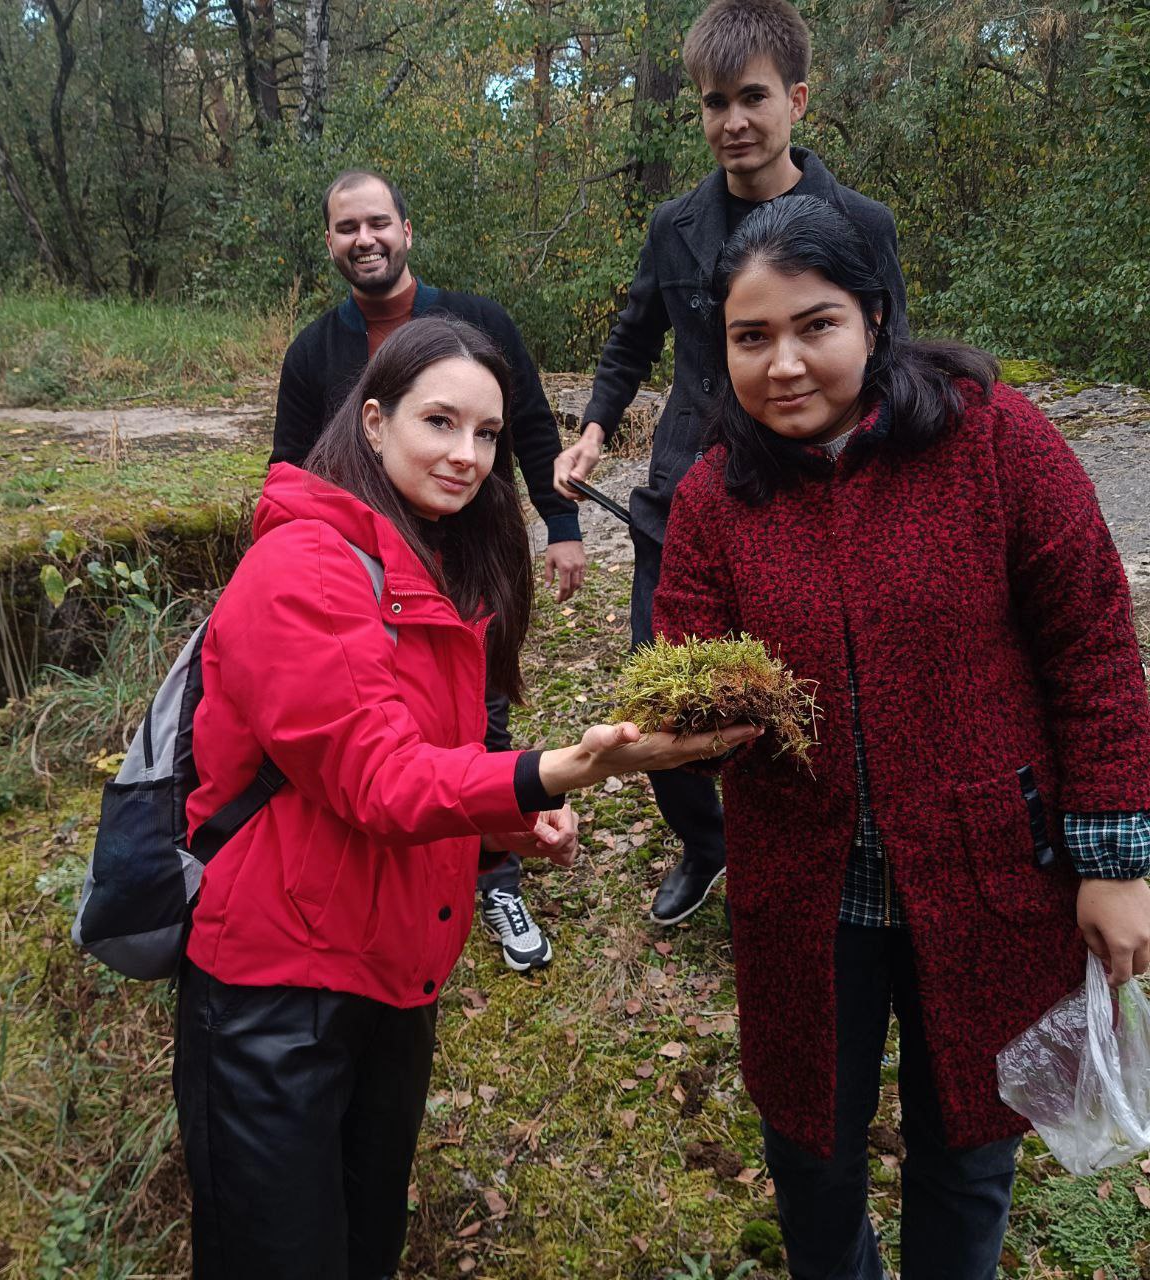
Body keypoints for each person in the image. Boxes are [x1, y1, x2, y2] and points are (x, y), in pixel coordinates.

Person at [174, 315, 762, 1279]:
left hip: (392, 974)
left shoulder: (433, 555)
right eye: (439, 423)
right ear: (372, 421)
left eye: (486, 435)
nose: (466, 455)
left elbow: (432, 755)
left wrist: (512, 818)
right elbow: (378, 779)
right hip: (274, 992)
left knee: (367, 1246)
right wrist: (557, 771)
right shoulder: (303, 568)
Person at [652, 194, 1150, 1279]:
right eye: (750, 337)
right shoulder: (713, 494)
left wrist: (1113, 861)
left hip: (985, 869)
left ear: (873, 317)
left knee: (967, 1142)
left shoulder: (989, 438)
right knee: (809, 1148)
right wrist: (686, 718)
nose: (782, 364)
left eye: (812, 324)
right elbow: (682, 649)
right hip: (803, 883)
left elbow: (1093, 645)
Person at [554, 0, 908, 927]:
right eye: (715, 102)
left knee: (820, 684)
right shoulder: (674, 226)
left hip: (814, 499)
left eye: (752, 97)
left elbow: (891, 361)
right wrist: (595, 426)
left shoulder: (861, 223)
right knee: (663, 692)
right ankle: (706, 844)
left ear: (796, 99)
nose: (733, 122)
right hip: (682, 496)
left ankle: (820, 851)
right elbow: (633, 340)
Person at [273, 167, 583, 970]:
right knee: (385, 728)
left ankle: (496, 875)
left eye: (378, 222)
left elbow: (532, 430)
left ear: (407, 231)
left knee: (479, 713)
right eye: (347, 228)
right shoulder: (315, 352)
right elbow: (292, 463)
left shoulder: (477, 320)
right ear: (332, 243)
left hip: (471, 555)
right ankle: (404, 870)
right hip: (364, 574)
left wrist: (562, 524)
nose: (364, 239)